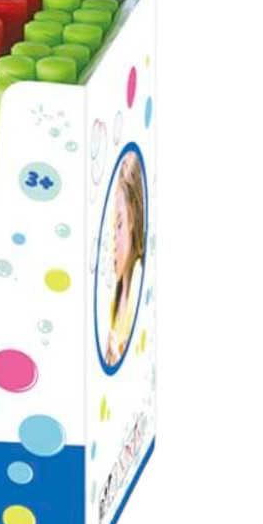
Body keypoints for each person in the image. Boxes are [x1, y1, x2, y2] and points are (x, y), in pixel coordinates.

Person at [105, 153, 145, 366]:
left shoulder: (140, 287)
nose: (113, 241)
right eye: (112, 227)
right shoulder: (114, 297)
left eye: (119, 225)